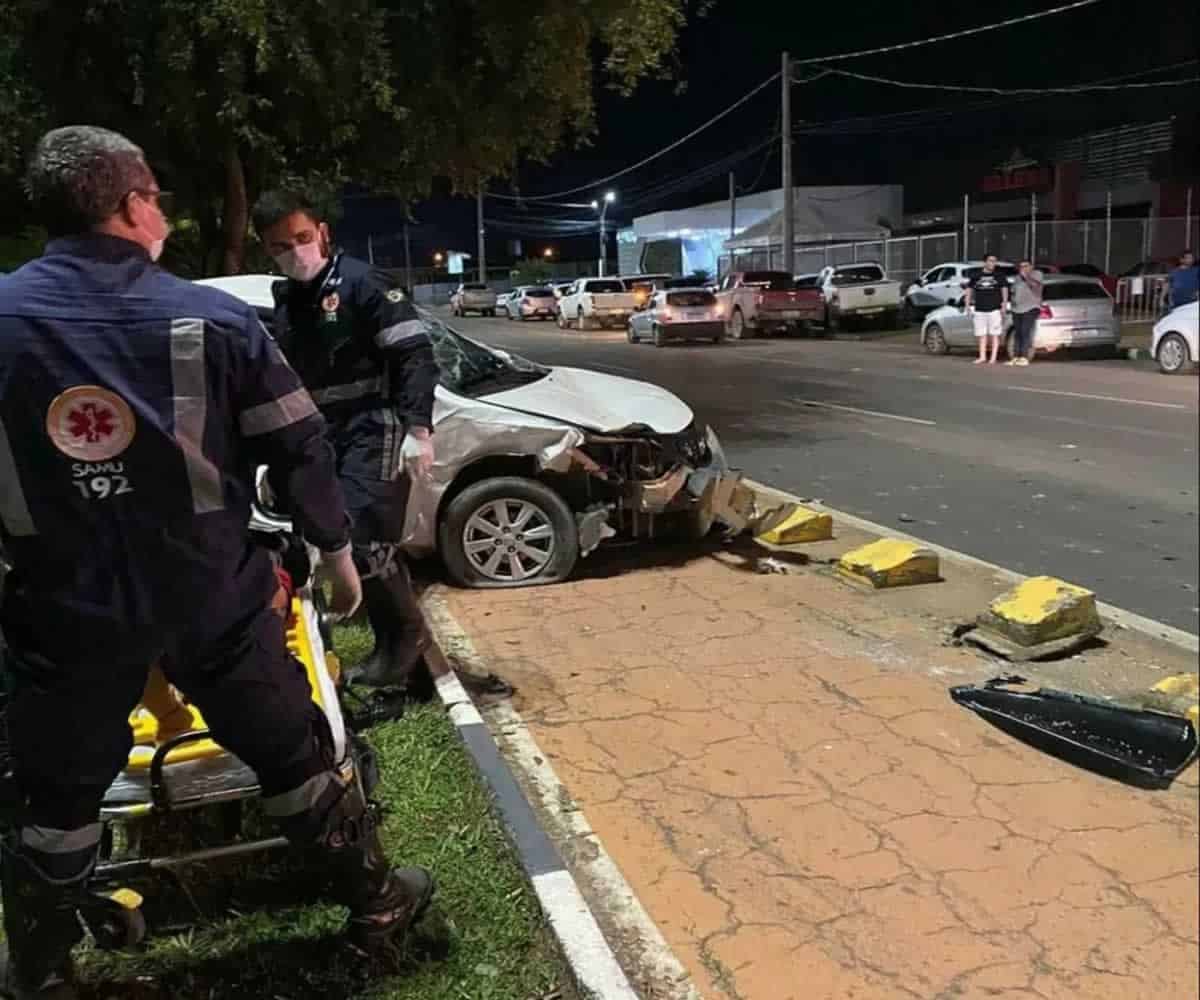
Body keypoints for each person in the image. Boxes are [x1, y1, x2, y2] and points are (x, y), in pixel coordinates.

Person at [0, 127, 433, 999]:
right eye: (155, 195)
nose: (163, 211)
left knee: (56, 795)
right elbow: (300, 448)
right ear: (129, 206)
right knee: (293, 752)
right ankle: (377, 905)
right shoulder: (218, 319)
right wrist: (339, 553)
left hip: (63, 605)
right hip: (211, 594)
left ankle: (42, 973)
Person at [251, 191, 438, 691]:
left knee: (360, 534)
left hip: (374, 423)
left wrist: (419, 429)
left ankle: (404, 639)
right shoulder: (290, 299)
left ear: (323, 232)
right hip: (324, 431)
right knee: (338, 531)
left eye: (303, 238)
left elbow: (415, 355)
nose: (295, 252)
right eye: (280, 246)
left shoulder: (362, 284)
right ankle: (401, 645)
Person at [964, 253, 1009, 365]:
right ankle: (982, 356)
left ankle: (993, 358)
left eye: (994, 261)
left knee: (994, 334)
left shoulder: (999, 275)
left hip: (994, 309)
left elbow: (1004, 289)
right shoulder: (976, 275)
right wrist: (967, 305)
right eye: (990, 260)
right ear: (985, 262)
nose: (992, 263)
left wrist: (1004, 304)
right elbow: (969, 290)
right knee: (981, 334)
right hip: (979, 309)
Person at [1008, 258, 1043, 367]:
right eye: (1021, 266)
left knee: (1025, 331)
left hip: (1031, 307)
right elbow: (1013, 291)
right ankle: (1015, 357)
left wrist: (1025, 277)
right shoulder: (1017, 278)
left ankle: (1024, 357)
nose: (1023, 268)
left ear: (1031, 266)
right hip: (1017, 309)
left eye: (1026, 266)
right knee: (1017, 332)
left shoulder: (1037, 274)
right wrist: (1013, 302)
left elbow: (1035, 287)